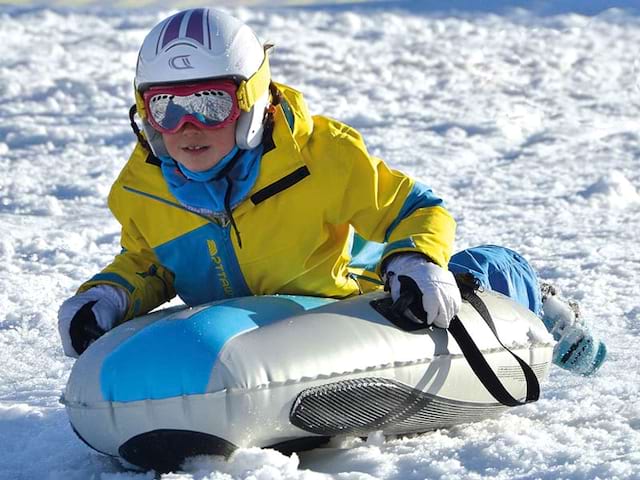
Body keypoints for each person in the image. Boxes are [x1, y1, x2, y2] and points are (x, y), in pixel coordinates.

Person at [57, 8, 606, 377]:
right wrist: (109, 295)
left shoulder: (320, 157)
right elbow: (149, 261)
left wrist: (413, 258)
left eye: (208, 105)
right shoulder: (143, 190)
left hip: (362, 300)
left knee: (454, 287)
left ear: (249, 102)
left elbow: (414, 208)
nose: (186, 127)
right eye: (166, 109)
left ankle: (521, 280)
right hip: (260, 334)